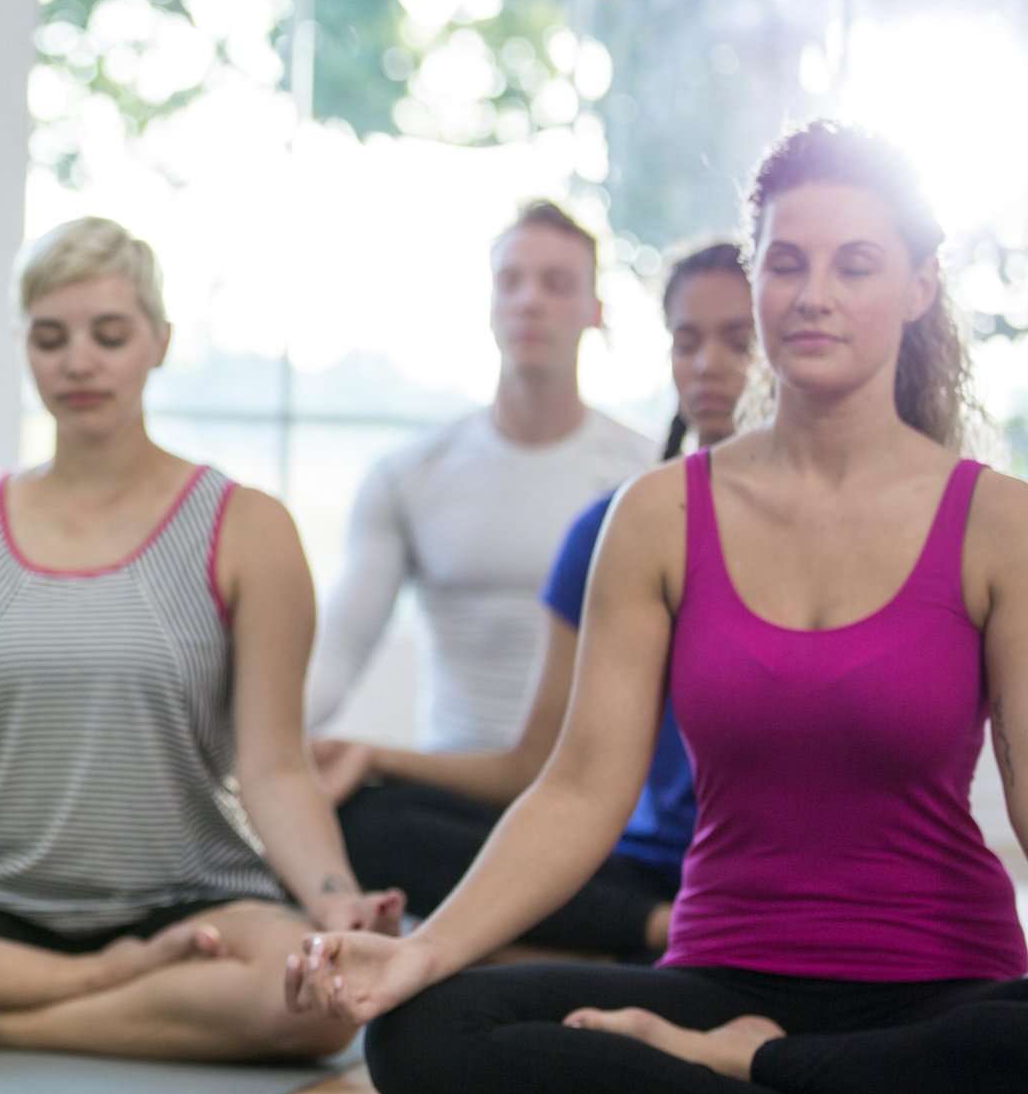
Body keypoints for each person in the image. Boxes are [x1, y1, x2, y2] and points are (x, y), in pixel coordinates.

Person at [289, 122, 1028, 1094]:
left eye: (854, 265)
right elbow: (583, 786)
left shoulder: (1002, 524)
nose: (814, 293)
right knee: (421, 1038)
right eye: (787, 262)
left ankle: (750, 1070)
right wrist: (425, 950)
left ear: (918, 288)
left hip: (945, 990)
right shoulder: (657, 516)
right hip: (719, 970)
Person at [0, 217, 398, 1063]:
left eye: (110, 335)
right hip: (0, 906)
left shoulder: (248, 528)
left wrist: (336, 905)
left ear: (160, 342)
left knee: (320, 1000)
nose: (79, 362)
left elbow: (277, 766)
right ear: (22, 346)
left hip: (196, 907)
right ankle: (117, 986)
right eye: (51, 337)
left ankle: (4, 1022)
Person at [314, 243, 757, 960]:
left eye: (739, 341)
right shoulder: (620, 522)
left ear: (592, 310)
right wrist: (328, 757)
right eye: (687, 340)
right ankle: (656, 927)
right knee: (366, 829)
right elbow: (547, 770)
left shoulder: (813, 526)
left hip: (764, 868)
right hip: (620, 850)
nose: (708, 364)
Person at [307, 202, 657, 753]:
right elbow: (339, 650)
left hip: (605, 803)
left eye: (556, 283)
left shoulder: (650, 476)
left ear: (595, 310)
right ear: (490, 304)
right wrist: (257, 747)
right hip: (450, 791)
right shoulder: (409, 475)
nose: (530, 301)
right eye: (510, 282)